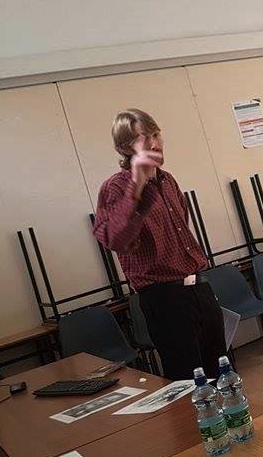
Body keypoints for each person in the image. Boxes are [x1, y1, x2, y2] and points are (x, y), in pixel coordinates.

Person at [92, 109, 225, 379]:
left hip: (198, 286)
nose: (154, 143)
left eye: (156, 134)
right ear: (125, 147)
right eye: (144, 138)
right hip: (163, 296)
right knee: (188, 379)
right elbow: (117, 240)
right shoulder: (115, 188)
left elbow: (182, 228)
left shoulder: (167, 180)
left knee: (221, 370)